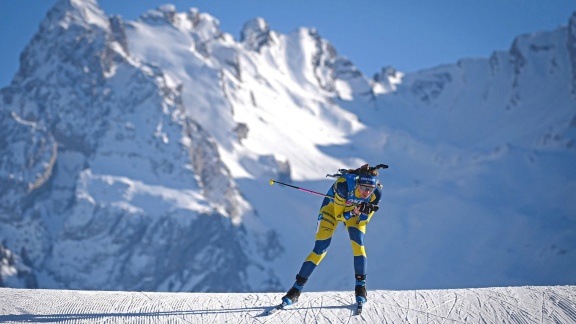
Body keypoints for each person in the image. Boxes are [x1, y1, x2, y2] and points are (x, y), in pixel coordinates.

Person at [281, 164, 385, 306]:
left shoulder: (376, 194)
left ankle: (360, 288)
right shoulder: (343, 186)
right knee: (320, 249)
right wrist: (354, 212)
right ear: (358, 183)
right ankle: (295, 290)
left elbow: (364, 221)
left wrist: (364, 213)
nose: (367, 193)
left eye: (370, 189)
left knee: (358, 244)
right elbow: (339, 216)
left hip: (355, 212)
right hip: (332, 210)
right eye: (364, 188)